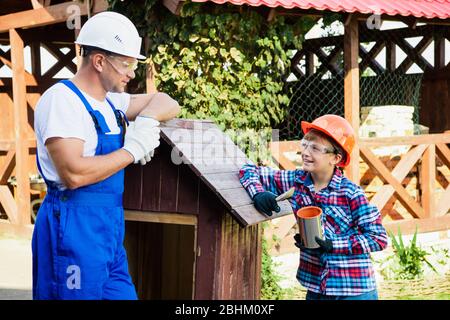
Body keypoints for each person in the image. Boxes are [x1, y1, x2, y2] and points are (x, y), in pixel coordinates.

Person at [32, 11, 180, 300]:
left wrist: (147, 121)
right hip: (72, 226)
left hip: (109, 229)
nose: (132, 73)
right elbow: (73, 174)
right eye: (126, 64)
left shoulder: (111, 103)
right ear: (99, 61)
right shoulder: (62, 101)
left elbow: (167, 101)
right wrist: (132, 149)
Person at [239, 114, 387, 300]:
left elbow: (378, 238)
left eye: (315, 148)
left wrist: (333, 245)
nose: (306, 152)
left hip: (353, 290)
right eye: (305, 144)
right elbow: (248, 170)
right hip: (316, 287)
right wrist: (257, 193)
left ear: (335, 158)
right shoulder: (296, 181)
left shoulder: (351, 193)